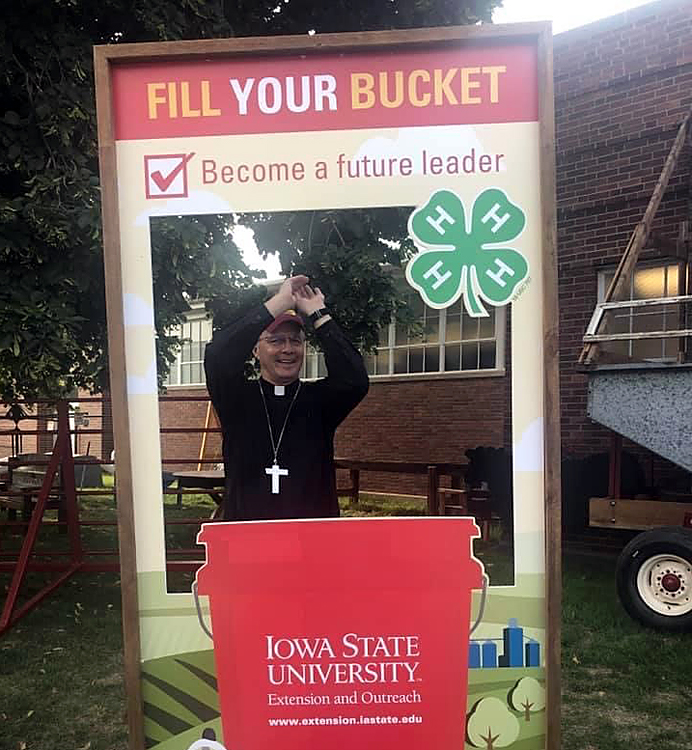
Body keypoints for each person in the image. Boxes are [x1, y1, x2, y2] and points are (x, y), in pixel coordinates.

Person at [204, 275, 369, 521]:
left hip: (310, 538)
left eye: (296, 341)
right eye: (276, 340)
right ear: (255, 350)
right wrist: (278, 303)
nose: (288, 349)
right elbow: (218, 355)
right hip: (247, 536)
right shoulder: (236, 397)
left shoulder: (319, 401)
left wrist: (319, 314)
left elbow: (355, 378)